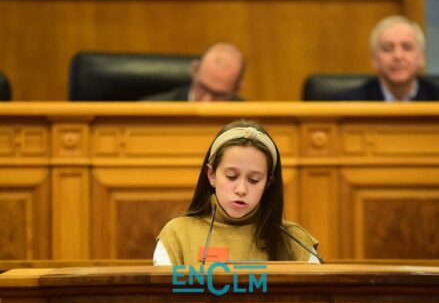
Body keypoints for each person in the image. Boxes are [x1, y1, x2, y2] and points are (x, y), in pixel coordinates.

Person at [153, 120, 320, 265]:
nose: (241, 190)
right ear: (211, 175)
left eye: (254, 180)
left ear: (268, 183)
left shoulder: (295, 240)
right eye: (231, 176)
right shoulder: (178, 235)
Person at [335, 15, 439, 101]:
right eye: (387, 49)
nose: (398, 56)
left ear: (422, 57)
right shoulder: (347, 103)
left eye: (407, 47)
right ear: (374, 59)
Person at [143, 42, 245, 102]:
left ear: (237, 89)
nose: (206, 102)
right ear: (195, 69)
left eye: (218, 95)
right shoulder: (152, 111)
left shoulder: (248, 123)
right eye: (203, 88)